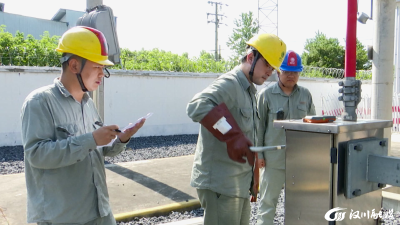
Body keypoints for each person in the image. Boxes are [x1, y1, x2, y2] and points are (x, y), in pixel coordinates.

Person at [20, 26, 146, 225]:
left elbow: (95, 149)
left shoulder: (88, 103)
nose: (102, 74)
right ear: (74, 65)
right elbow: (36, 155)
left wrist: (122, 139)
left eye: (103, 68)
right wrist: (91, 139)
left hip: (100, 211)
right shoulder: (40, 102)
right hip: (64, 218)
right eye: (97, 67)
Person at [186, 33, 286, 225]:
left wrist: (253, 179)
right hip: (221, 184)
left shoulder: (248, 91)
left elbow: (249, 138)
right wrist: (232, 137)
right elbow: (196, 106)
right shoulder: (231, 84)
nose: (270, 72)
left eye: (273, 68)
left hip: (237, 184)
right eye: (267, 64)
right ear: (251, 57)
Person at [256, 50, 316, 225]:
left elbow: (314, 126)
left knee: (299, 203)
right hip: (274, 159)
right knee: (268, 201)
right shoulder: (266, 95)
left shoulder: (305, 95)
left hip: (300, 159)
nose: (291, 75)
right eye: (287, 71)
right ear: (278, 72)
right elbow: (258, 127)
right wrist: (259, 154)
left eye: (295, 72)